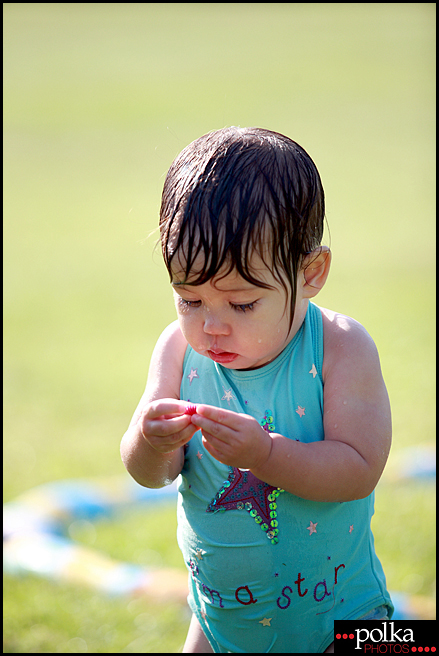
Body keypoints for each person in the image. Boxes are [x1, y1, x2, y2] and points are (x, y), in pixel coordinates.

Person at [120, 127, 393, 653]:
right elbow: (152, 475)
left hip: (347, 619)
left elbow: (359, 470)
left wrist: (265, 454)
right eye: (189, 300)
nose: (211, 326)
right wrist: (150, 442)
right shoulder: (178, 349)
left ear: (311, 273)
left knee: (405, 645)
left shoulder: (339, 347)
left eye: (242, 304)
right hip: (219, 621)